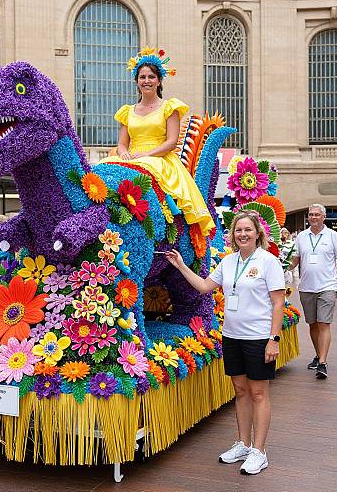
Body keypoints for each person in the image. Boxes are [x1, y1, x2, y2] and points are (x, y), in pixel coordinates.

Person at [166, 211, 285, 475]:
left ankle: (259, 450)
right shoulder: (228, 262)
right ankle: (243, 444)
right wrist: (181, 266)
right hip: (232, 336)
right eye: (238, 230)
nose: (243, 234)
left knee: (258, 393)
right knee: (240, 391)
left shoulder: (268, 262)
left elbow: (279, 302)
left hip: (258, 338)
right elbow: (205, 287)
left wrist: (273, 339)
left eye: (247, 230)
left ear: (258, 234)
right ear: (232, 235)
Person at [100, 47, 214, 236]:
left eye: (151, 77)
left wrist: (146, 155)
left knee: (145, 168)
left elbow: (171, 142)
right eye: (142, 77)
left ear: (159, 80)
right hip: (133, 157)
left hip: (159, 158)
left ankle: (167, 222)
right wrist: (124, 153)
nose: (146, 81)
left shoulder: (169, 107)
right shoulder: (127, 111)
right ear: (136, 81)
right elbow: (122, 143)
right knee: (104, 166)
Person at [289, 204, 337, 380]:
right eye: (311, 214)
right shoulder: (301, 237)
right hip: (306, 287)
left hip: (327, 287)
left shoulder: (333, 236)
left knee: (324, 323)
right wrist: (281, 266)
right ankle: (318, 354)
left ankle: (322, 362)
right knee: (312, 324)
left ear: (324, 217)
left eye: (317, 214)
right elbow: (296, 259)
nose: (313, 217)